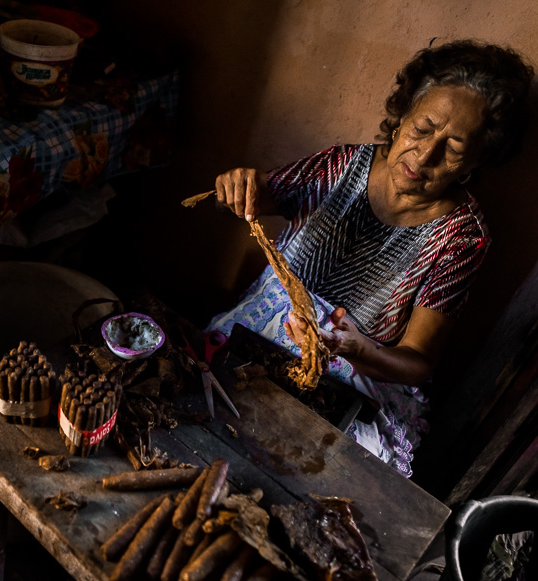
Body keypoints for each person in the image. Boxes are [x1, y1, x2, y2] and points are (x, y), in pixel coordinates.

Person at [206, 39, 534, 477]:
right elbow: (248, 198)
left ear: (472, 165)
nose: (425, 155)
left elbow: (417, 362)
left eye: (453, 149)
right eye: (422, 128)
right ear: (400, 121)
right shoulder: (340, 166)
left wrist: (360, 350)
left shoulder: (460, 238)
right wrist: (236, 187)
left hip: (350, 376)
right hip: (259, 336)